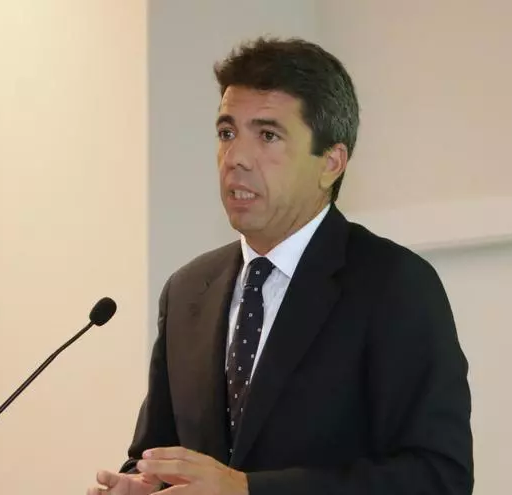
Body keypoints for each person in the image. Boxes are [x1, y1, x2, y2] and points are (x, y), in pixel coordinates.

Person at [88, 36, 474, 495]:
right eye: (227, 133)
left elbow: (437, 477)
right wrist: (141, 484)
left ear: (330, 163)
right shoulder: (189, 290)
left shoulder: (393, 285)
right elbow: (157, 452)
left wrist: (248, 490)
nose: (235, 158)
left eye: (267, 136)